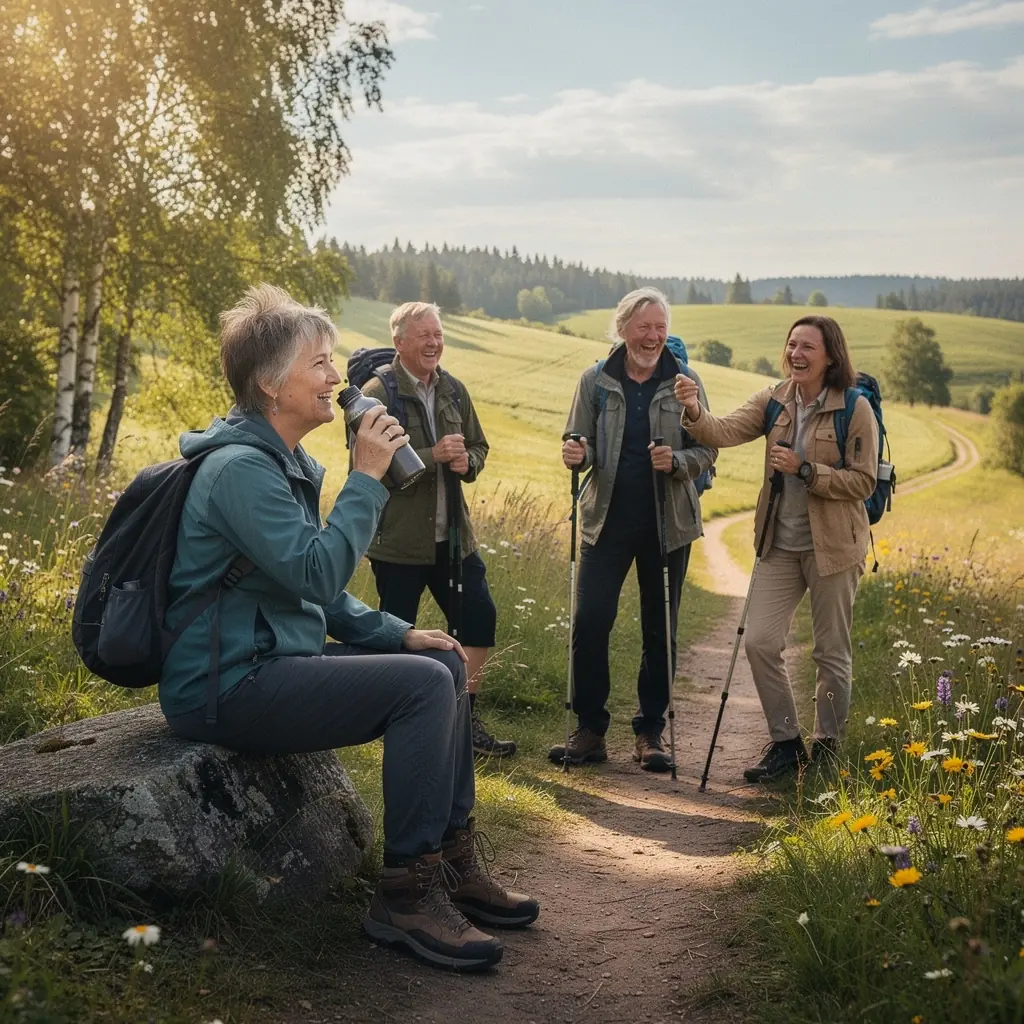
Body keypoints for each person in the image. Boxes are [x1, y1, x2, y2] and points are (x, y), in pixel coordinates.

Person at [159, 284, 537, 972]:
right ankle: (405, 895)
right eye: (321, 363)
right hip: (226, 683)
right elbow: (314, 575)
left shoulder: (278, 460)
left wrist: (397, 632)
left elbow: (308, 590)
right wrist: (368, 477)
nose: (338, 378)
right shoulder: (241, 469)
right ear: (272, 384)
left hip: (271, 660)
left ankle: (451, 862)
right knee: (423, 688)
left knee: (443, 661)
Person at [675, 314, 878, 782]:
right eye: (791, 345)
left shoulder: (853, 408)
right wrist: (693, 410)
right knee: (761, 642)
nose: (796, 354)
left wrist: (808, 471)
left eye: (808, 347)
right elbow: (722, 431)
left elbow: (864, 480)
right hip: (779, 545)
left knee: (830, 652)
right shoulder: (773, 399)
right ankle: (787, 744)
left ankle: (827, 748)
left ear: (830, 355)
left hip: (834, 550)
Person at [548, 288, 717, 772]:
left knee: (659, 629)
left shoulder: (685, 382)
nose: (653, 336)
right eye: (644, 326)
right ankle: (590, 729)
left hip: (669, 525)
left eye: (660, 326)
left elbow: (708, 448)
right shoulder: (596, 380)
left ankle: (650, 733)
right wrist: (576, 451)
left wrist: (679, 460)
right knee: (590, 622)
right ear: (622, 329)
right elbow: (577, 438)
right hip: (605, 521)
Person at [361, 301, 516, 759]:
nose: (434, 343)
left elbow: (479, 445)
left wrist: (470, 461)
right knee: (397, 633)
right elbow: (368, 464)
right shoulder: (377, 393)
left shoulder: (453, 389)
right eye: (424, 335)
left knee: (478, 616)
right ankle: (395, 725)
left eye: (439, 335)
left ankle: (464, 721)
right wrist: (433, 455)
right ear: (400, 342)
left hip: (454, 539)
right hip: (400, 542)